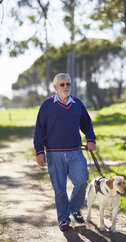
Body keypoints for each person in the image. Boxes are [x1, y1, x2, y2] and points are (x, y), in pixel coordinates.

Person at [34, 73, 96, 232]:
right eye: (62, 84)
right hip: (54, 154)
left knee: (82, 181)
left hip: (76, 152)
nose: (66, 87)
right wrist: (39, 151)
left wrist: (90, 139)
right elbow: (39, 129)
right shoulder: (47, 105)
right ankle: (63, 219)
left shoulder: (77, 103)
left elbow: (87, 124)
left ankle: (74, 208)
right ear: (55, 87)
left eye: (68, 84)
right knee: (60, 189)